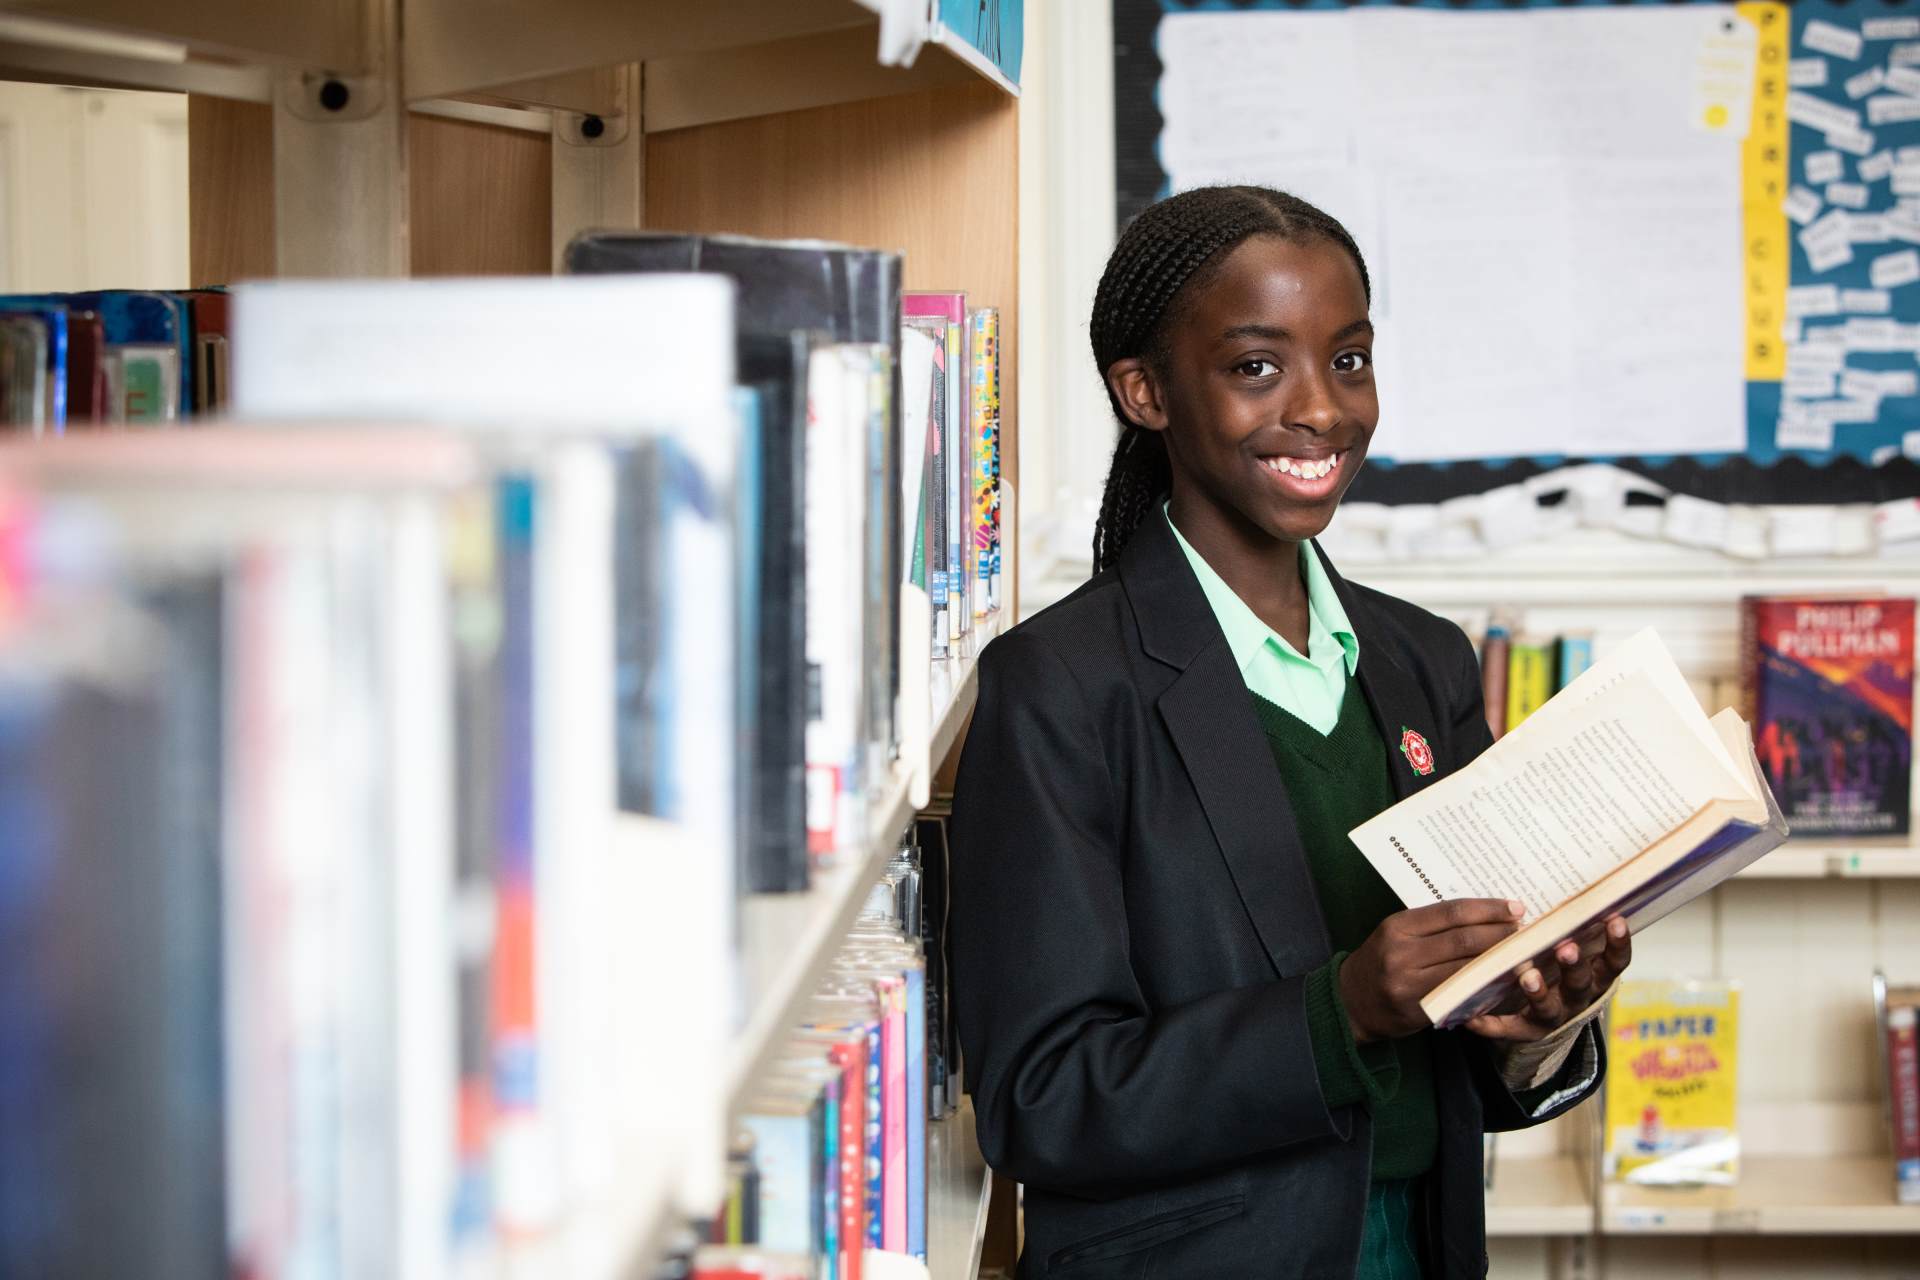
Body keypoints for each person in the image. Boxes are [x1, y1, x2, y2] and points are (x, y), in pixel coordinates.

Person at [948, 186, 1631, 1279]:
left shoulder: (1425, 663)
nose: (1321, 408)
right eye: (1257, 367)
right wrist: (1342, 1008)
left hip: (1421, 1246)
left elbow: (1469, 1066)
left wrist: (1544, 1011)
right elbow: (1042, 1101)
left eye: (1349, 358)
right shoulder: (1060, 689)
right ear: (1146, 391)